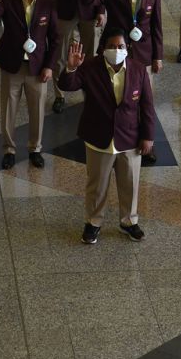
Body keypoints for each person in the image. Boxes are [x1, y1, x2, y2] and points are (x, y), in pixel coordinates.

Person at [59, 31, 155, 245]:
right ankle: (93, 222)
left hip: (129, 137)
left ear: (127, 48)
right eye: (112, 46)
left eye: (121, 46)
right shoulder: (90, 67)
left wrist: (148, 136)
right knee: (97, 184)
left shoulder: (138, 70)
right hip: (98, 136)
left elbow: (147, 106)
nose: (117, 50)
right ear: (103, 49)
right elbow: (68, 85)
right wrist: (72, 67)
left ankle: (129, 221)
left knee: (130, 182)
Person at [0, 0, 60, 169]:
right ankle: (9, 149)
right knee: (9, 109)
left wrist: (49, 66)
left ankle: (35, 149)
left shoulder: (48, 3)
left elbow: (55, 39)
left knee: (37, 110)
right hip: (12, 64)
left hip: (38, 67)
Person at [82, 0, 162, 73]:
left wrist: (158, 57)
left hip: (142, 50)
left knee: (143, 89)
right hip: (115, 48)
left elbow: (156, 26)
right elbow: (91, 0)